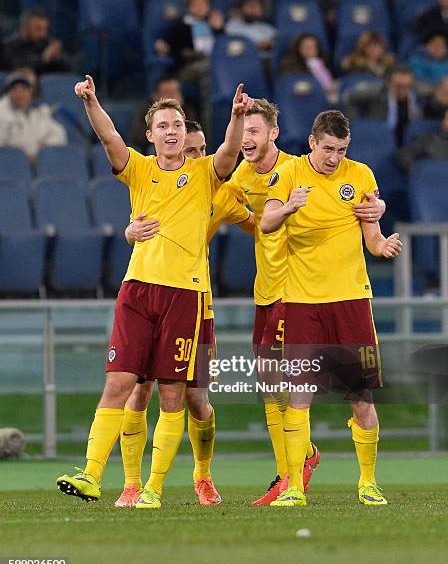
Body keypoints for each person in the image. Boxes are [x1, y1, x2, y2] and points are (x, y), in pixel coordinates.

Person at [56, 77, 254, 509]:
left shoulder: (204, 174)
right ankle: (92, 474)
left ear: (186, 134)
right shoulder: (140, 170)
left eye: (177, 125)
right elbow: (108, 136)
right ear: (150, 135)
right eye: (162, 125)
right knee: (121, 385)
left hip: (186, 294)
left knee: (174, 395)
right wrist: (92, 100)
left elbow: (228, 153)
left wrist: (237, 118)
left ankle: (155, 488)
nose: (170, 131)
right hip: (138, 290)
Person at [228, 100, 386, 505]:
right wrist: (288, 208)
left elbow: (371, 234)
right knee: (299, 396)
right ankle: (294, 487)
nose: (335, 158)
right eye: (328, 148)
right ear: (312, 142)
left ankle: (367, 482)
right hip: (300, 301)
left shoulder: (361, 174)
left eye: (342, 150)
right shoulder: (289, 174)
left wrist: (383, 244)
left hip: (351, 298)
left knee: (361, 395)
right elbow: (265, 222)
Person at [114, 119, 255, 508]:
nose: (196, 156)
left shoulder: (219, 190)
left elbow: (262, 227)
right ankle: (131, 484)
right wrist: (129, 233)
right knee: (140, 389)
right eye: (191, 150)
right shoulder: (160, 178)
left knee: (196, 399)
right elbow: (138, 223)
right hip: (154, 289)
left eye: (201, 149)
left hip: (197, 303)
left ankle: (203, 475)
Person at [344, 65, 422, 146]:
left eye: (407, 87)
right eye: (398, 86)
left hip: (406, 144)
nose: (403, 91)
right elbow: (349, 98)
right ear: (388, 84)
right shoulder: (376, 93)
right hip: (379, 141)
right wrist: (355, 123)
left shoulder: (416, 95)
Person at [0, 69, 67, 162]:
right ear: (9, 92)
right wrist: (25, 155)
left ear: (30, 91)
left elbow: (59, 134)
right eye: (15, 89)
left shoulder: (40, 110)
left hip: (41, 161)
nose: (19, 94)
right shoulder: (3, 112)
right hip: (12, 163)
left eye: (23, 89)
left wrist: (44, 148)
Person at [130, 77, 196, 153]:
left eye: (175, 92)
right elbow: (139, 138)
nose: (172, 98)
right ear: (156, 96)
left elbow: (193, 135)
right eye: (168, 93)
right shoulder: (146, 111)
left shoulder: (188, 111)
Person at [2, 8, 70, 75]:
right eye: (38, 29)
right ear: (25, 28)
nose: (43, 34)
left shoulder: (47, 42)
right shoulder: (10, 45)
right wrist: (43, 59)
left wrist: (57, 57)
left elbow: (67, 69)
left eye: (45, 29)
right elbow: (17, 67)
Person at [278, 33, 336, 100]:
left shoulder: (322, 62)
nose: (309, 50)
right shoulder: (289, 63)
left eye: (312, 47)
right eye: (305, 47)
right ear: (298, 48)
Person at [396, 109, 448, 174]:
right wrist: (416, 172)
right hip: (431, 180)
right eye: (446, 118)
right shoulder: (428, 139)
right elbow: (404, 153)